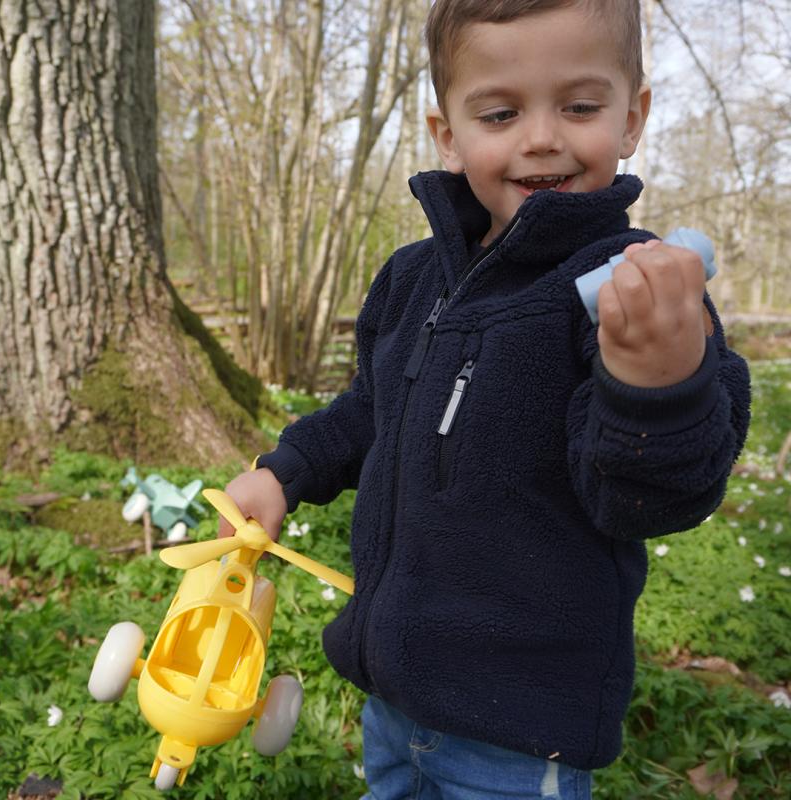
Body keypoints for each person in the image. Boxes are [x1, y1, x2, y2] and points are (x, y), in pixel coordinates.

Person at [220, 1, 751, 797]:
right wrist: (285, 471)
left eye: (580, 106)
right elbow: (370, 412)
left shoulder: (634, 290)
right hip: (394, 698)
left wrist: (656, 382)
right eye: (501, 112)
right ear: (448, 134)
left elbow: (648, 500)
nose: (542, 136)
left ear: (632, 116)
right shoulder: (411, 279)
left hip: (520, 729)